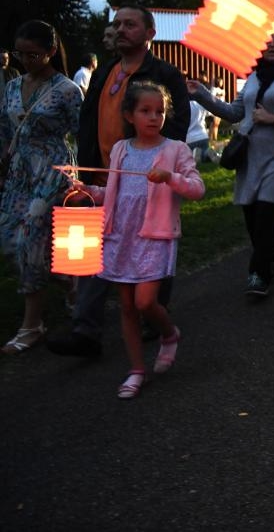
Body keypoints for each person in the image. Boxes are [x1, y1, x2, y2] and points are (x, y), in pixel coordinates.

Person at [47, 5, 190, 359]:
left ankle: (152, 313)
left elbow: (176, 126)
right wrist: (85, 171)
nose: (121, 29)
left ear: (149, 34)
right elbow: (87, 120)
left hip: (147, 180)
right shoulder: (106, 71)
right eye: (117, 24)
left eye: (130, 24)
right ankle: (85, 330)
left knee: (152, 244)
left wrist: (157, 169)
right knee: (97, 249)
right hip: (101, 175)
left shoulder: (164, 74)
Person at [73, 82, 204, 397]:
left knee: (146, 302)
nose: (154, 117)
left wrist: (171, 178)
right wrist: (89, 191)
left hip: (155, 236)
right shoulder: (121, 149)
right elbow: (116, 194)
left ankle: (169, 333)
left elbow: (197, 189)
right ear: (130, 115)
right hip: (121, 235)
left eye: (159, 111)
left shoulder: (175, 150)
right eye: (146, 111)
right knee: (128, 307)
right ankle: (136, 370)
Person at [188, 26, 274, 296]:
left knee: (267, 212)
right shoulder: (253, 78)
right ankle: (271, 260)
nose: (272, 45)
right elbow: (234, 113)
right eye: (265, 41)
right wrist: (201, 93)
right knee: (251, 215)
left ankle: (258, 274)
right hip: (249, 154)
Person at [0, 21, 82, 354]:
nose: (26, 60)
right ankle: (70, 281)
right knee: (7, 236)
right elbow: (6, 130)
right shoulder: (12, 86)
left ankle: (32, 324)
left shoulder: (66, 89)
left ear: (50, 51)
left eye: (33, 54)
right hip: (19, 169)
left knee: (30, 236)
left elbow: (81, 131)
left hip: (53, 169)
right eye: (21, 53)